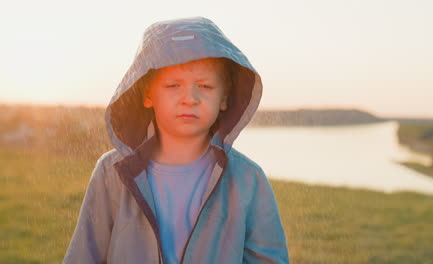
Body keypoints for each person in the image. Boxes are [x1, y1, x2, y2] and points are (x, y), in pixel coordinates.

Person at [64, 16, 289, 263]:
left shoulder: (247, 178)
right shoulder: (111, 172)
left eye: (205, 86)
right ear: (148, 94)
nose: (189, 98)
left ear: (224, 99)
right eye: (173, 85)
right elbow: (85, 255)